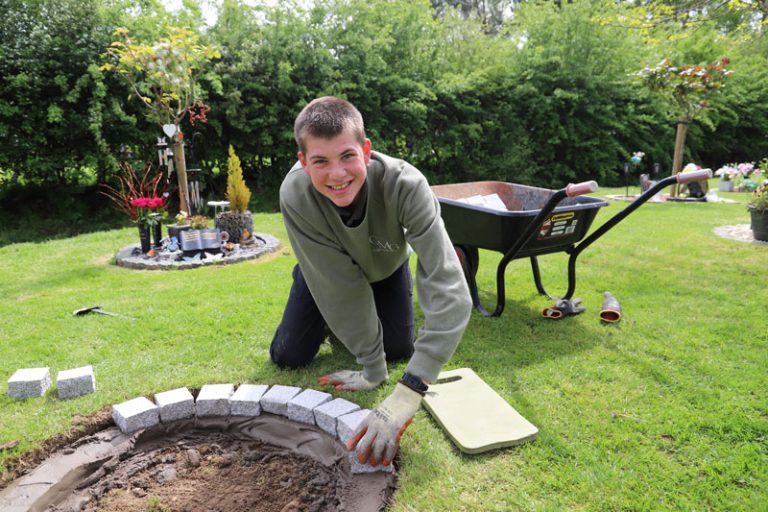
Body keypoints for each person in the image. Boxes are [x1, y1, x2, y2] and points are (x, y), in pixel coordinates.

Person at [271, 96, 472, 467]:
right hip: (324, 273)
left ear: (365, 150)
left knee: (398, 349)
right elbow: (341, 286)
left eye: (347, 156)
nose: (337, 174)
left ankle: (355, 333)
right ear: (303, 162)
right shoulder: (295, 194)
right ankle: (335, 327)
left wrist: (408, 393)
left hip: (387, 268)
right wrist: (370, 368)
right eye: (320, 161)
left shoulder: (407, 185)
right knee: (288, 356)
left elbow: (451, 291)